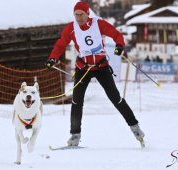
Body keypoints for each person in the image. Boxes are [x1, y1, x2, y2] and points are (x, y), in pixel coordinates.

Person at [45, 2, 145, 146]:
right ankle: (75, 135)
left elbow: (116, 34)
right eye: (76, 15)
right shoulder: (70, 29)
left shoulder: (98, 24)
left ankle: (135, 127)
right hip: (83, 68)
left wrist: (119, 45)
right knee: (76, 102)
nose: (79, 18)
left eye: (82, 14)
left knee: (115, 98)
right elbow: (61, 44)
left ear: (88, 14)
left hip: (101, 67)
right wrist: (52, 58)